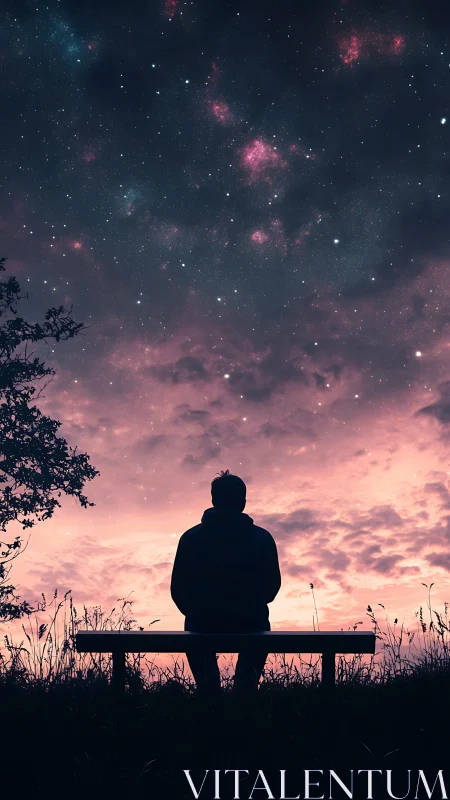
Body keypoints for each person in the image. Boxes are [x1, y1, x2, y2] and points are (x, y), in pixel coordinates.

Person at [170, 469, 281, 696]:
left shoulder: (190, 538)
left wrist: (195, 612)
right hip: (252, 623)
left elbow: (177, 588)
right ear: (243, 501)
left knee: (208, 689)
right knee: (246, 688)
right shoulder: (262, 538)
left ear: (213, 499)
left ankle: (210, 708)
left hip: (202, 624)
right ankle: (244, 705)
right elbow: (272, 588)